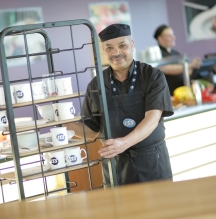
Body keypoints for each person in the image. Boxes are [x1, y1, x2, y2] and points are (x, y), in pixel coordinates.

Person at [67, 24, 174, 185]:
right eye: (109, 48)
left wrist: (123, 143)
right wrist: (59, 124)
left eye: (122, 46)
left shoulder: (153, 76)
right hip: (115, 168)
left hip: (152, 164)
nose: (116, 52)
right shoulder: (96, 85)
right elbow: (91, 132)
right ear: (103, 50)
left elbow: (152, 119)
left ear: (132, 44)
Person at [153, 24, 202, 95]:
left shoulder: (175, 53)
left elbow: (184, 70)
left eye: (173, 35)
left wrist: (194, 68)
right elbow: (165, 68)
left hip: (182, 87)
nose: (173, 37)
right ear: (160, 38)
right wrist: (190, 66)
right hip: (170, 91)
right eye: (169, 36)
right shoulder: (157, 53)